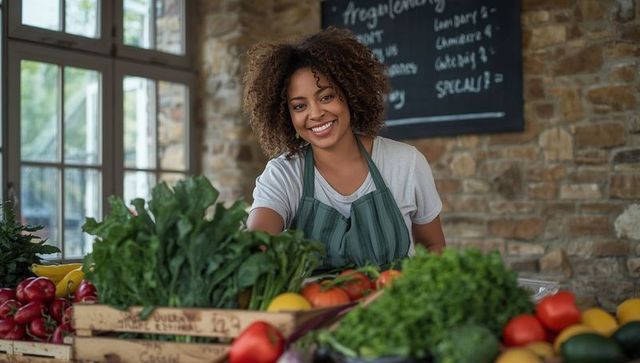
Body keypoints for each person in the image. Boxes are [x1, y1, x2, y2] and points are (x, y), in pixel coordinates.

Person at [243, 27, 445, 269]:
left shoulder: (406, 164)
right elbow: (257, 245)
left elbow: (433, 247)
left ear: (350, 94)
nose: (315, 114)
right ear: (286, 116)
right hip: (315, 306)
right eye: (299, 106)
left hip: (392, 302)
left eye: (326, 97)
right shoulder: (283, 174)